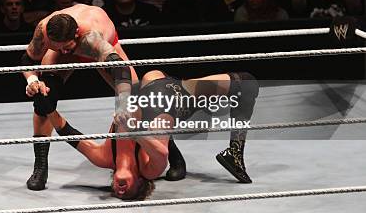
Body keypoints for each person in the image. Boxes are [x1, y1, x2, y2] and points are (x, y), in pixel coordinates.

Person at [46, 68, 259, 200]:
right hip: (177, 98)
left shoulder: (104, 157)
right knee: (247, 83)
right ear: (139, 184)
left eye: (118, 194)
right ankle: (235, 152)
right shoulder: (149, 170)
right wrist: (132, 129)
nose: (121, 192)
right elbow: (160, 153)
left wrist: (46, 107)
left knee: (134, 74)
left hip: (152, 84)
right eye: (129, 194)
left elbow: (68, 132)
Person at [20, 4, 138, 190]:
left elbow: (121, 70)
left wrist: (123, 106)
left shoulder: (93, 40)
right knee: (43, 98)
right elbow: (28, 60)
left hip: (96, 48)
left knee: (138, 98)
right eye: (57, 48)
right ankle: (40, 166)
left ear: (75, 34)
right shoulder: (44, 31)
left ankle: (173, 154)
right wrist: (33, 81)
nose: (64, 53)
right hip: (66, 43)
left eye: (67, 48)